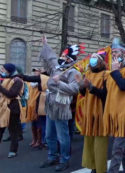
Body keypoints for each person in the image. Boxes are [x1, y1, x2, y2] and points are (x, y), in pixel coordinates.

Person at [90, 38, 125, 173]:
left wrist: (115, 72)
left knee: (117, 149)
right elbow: (106, 94)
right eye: (112, 52)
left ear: (124, 53)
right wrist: (90, 88)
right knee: (122, 147)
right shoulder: (112, 71)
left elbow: (124, 86)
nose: (114, 55)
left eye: (116, 52)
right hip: (114, 114)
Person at [38, 36, 82, 172]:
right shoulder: (57, 68)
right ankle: (52, 156)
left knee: (63, 136)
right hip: (51, 106)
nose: (61, 56)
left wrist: (59, 82)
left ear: (70, 59)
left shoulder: (74, 72)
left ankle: (64, 159)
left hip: (62, 108)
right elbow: (50, 58)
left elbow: (75, 89)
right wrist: (45, 44)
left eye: (64, 55)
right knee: (49, 135)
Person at [76, 52, 109, 173]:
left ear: (100, 61)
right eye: (91, 58)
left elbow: (106, 95)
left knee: (100, 145)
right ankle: (93, 167)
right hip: (89, 113)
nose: (92, 60)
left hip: (100, 112)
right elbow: (84, 94)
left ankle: (101, 169)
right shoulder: (88, 74)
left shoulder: (106, 75)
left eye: (95, 58)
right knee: (89, 143)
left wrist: (91, 87)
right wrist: (81, 85)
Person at [21, 68, 49, 149]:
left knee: (40, 123)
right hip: (31, 105)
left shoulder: (41, 83)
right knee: (33, 124)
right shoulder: (31, 83)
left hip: (38, 105)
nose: (35, 73)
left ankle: (40, 141)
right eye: (34, 71)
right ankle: (35, 139)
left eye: (37, 71)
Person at [0, 63, 23, 158]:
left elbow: (11, 94)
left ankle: (13, 151)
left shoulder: (18, 81)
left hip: (13, 108)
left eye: (3, 69)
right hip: (3, 107)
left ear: (9, 70)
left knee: (13, 131)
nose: (2, 71)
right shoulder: (6, 79)